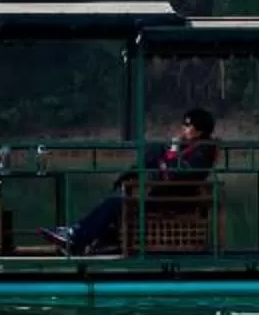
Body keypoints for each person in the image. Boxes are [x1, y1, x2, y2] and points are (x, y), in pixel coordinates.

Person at [43, 108, 218, 255]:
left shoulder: (203, 149)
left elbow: (181, 173)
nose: (183, 129)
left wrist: (170, 153)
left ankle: (77, 236)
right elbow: (165, 166)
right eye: (184, 124)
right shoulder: (189, 146)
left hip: (175, 199)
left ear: (200, 130)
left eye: (188, 125)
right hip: (161, 193)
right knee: (150, 155)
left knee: (117, 202)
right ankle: (82, 237)